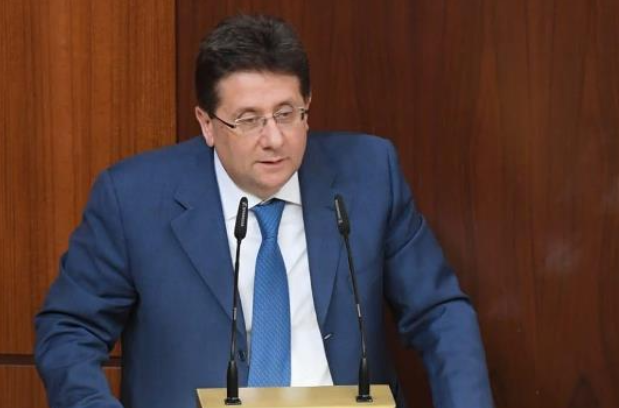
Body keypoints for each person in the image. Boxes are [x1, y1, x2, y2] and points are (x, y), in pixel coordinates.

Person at [34, 14, 494, 408]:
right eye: (249, 119)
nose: (273, 139)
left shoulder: (369, 174)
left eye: (287, 113)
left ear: (308, 107)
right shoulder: (133, 199)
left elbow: (438, 313)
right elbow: (70, 330)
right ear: (207, 123)